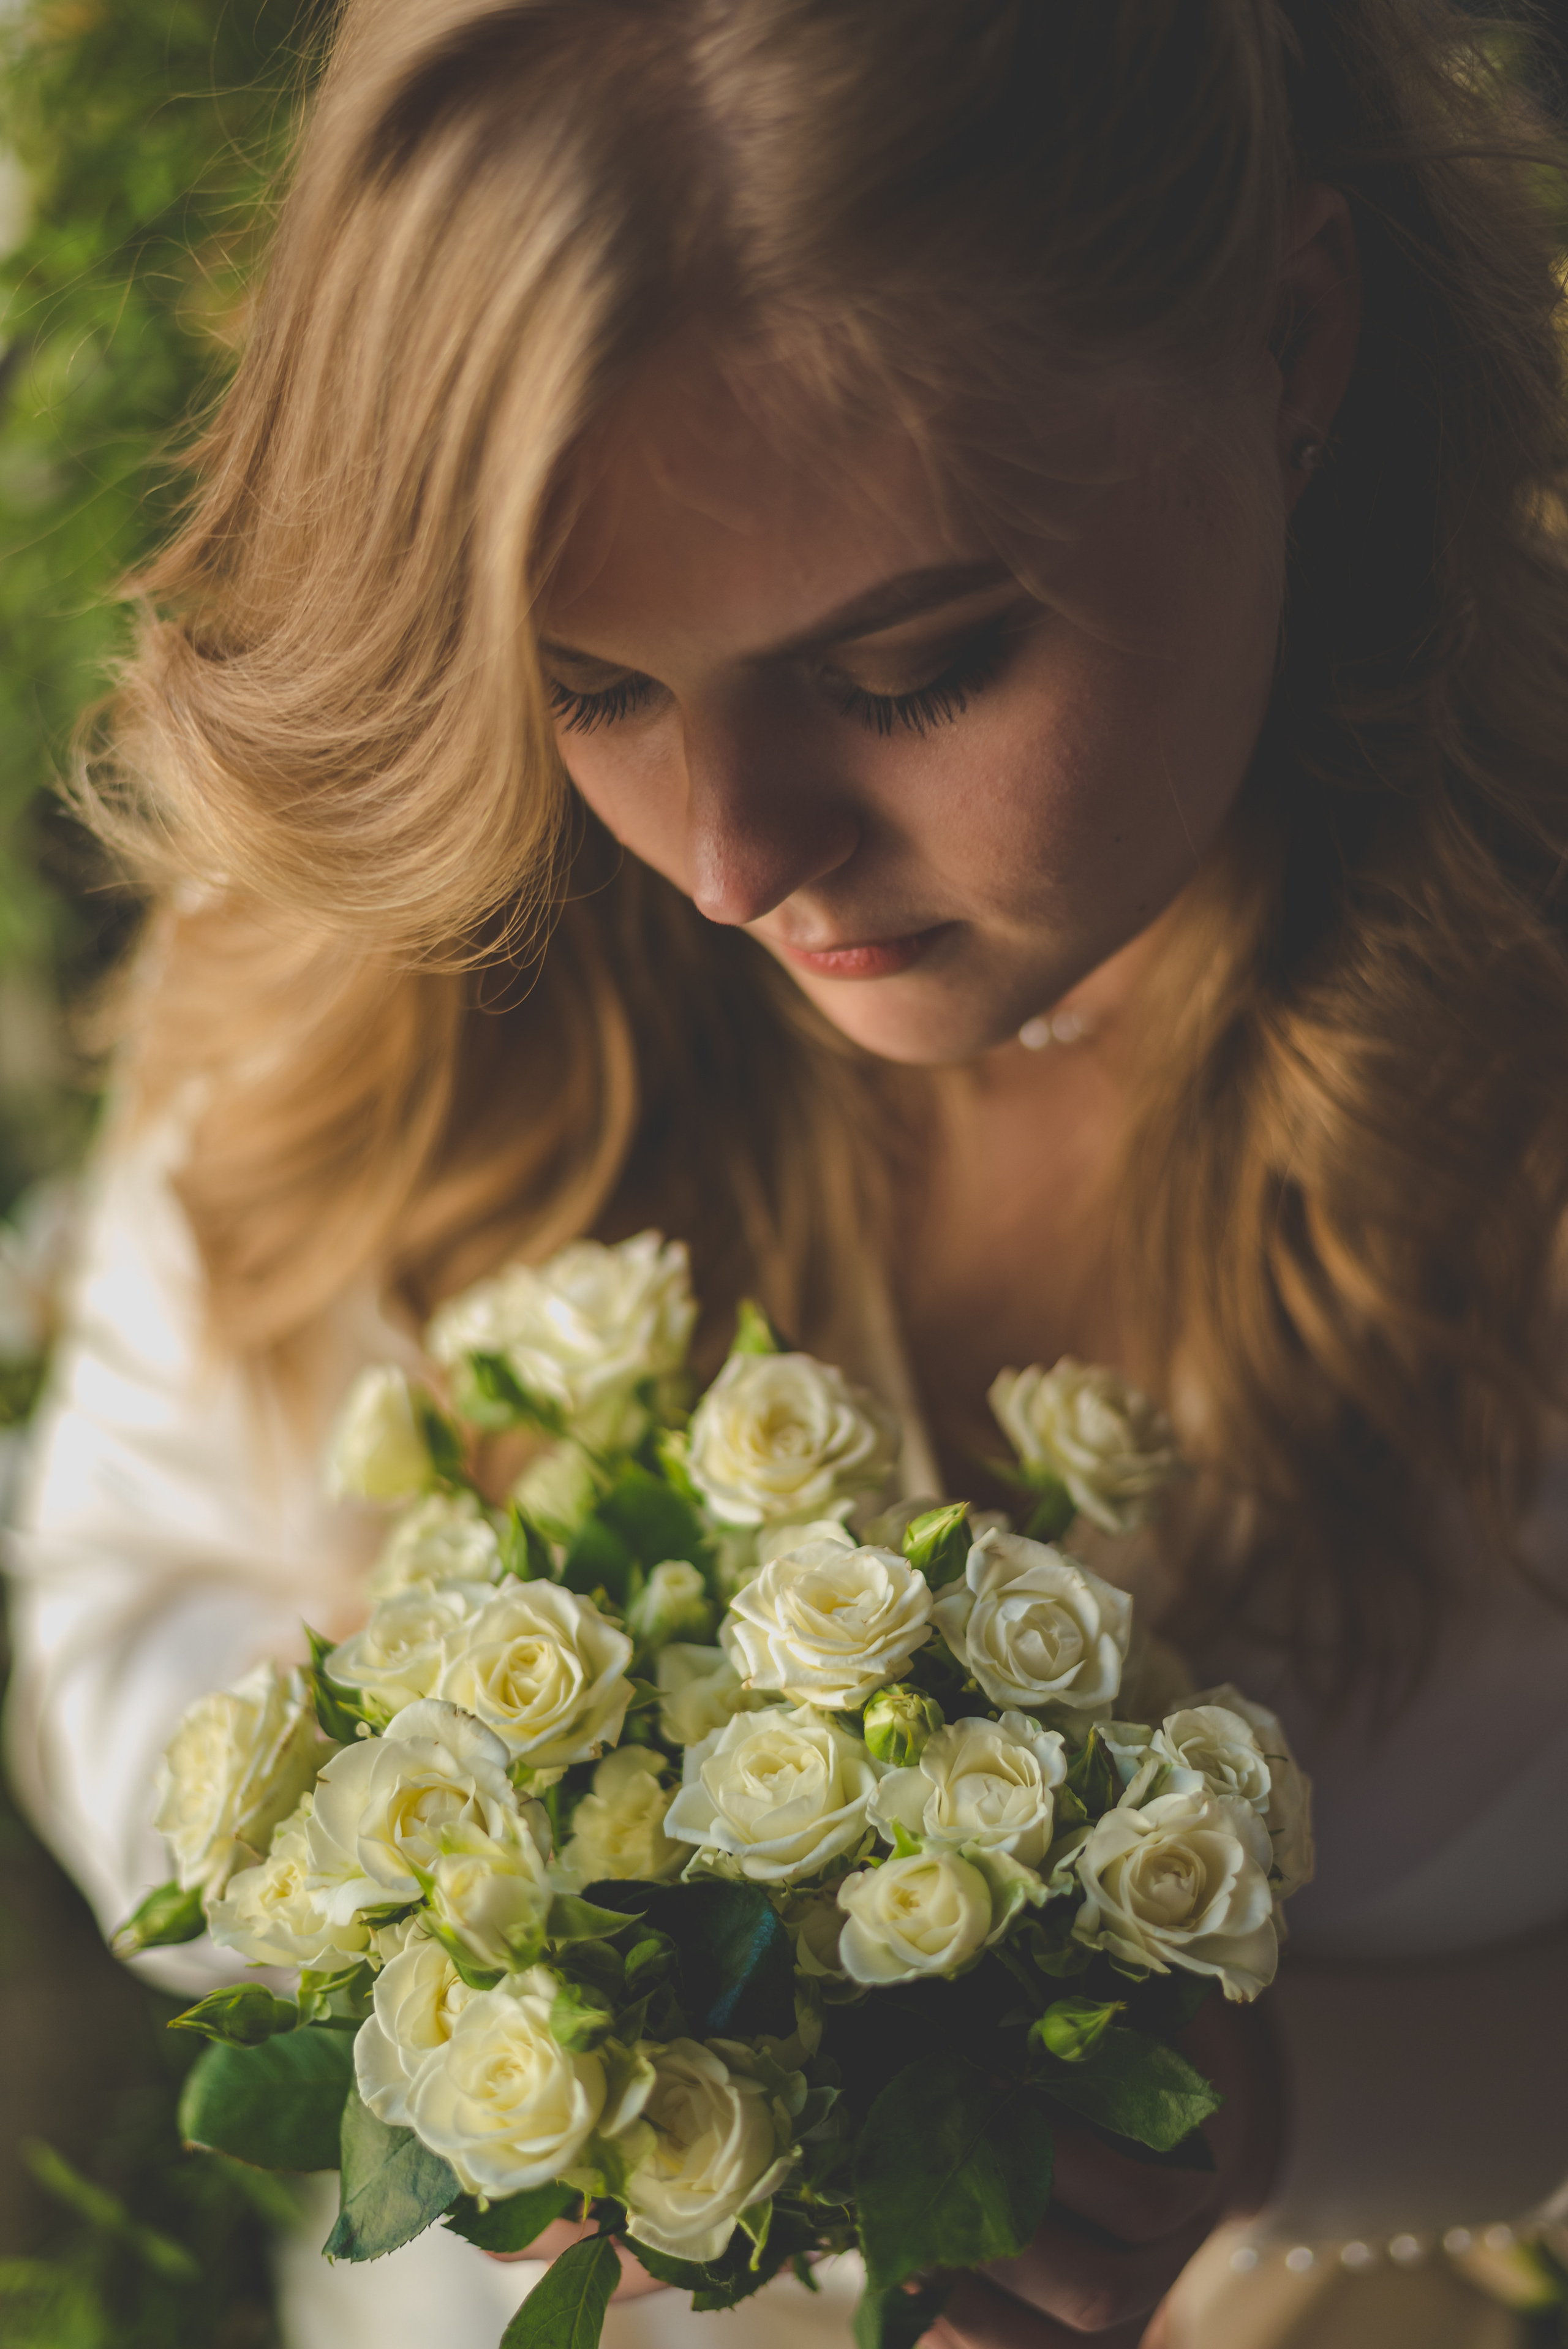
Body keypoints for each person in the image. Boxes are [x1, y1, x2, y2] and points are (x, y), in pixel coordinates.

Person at [7, 2, 1568, 2344]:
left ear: (1292, 337)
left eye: (916, 662)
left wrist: (1277, 2108)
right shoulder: (390, 953)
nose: (733, 863)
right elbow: (129, 1591)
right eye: (595, 683)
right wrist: (456, 1952)